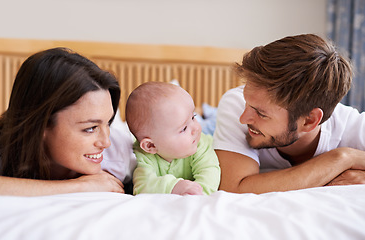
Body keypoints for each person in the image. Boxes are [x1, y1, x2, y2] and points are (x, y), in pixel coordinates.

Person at [213, 34, 365, 194]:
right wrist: (341, 159)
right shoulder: (234, 104)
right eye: (247, 102)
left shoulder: (353, 127)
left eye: (261, 114)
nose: (243, 118)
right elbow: (235, 188)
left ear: (309, 121)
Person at [0, 47, 136, 196]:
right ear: (41, 126)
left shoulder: (118, 149)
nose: (105, 142)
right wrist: (80, 186)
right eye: (90, 128)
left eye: (107, 123)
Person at [125, 81, 220, 195]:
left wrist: (198, 195)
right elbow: (142, 186)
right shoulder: (143, 157)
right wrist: (174, 187)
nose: (195, 128)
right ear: (151, 146)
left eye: (193, 117)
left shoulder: (199, 142)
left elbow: (210, 174)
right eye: (184, 128)